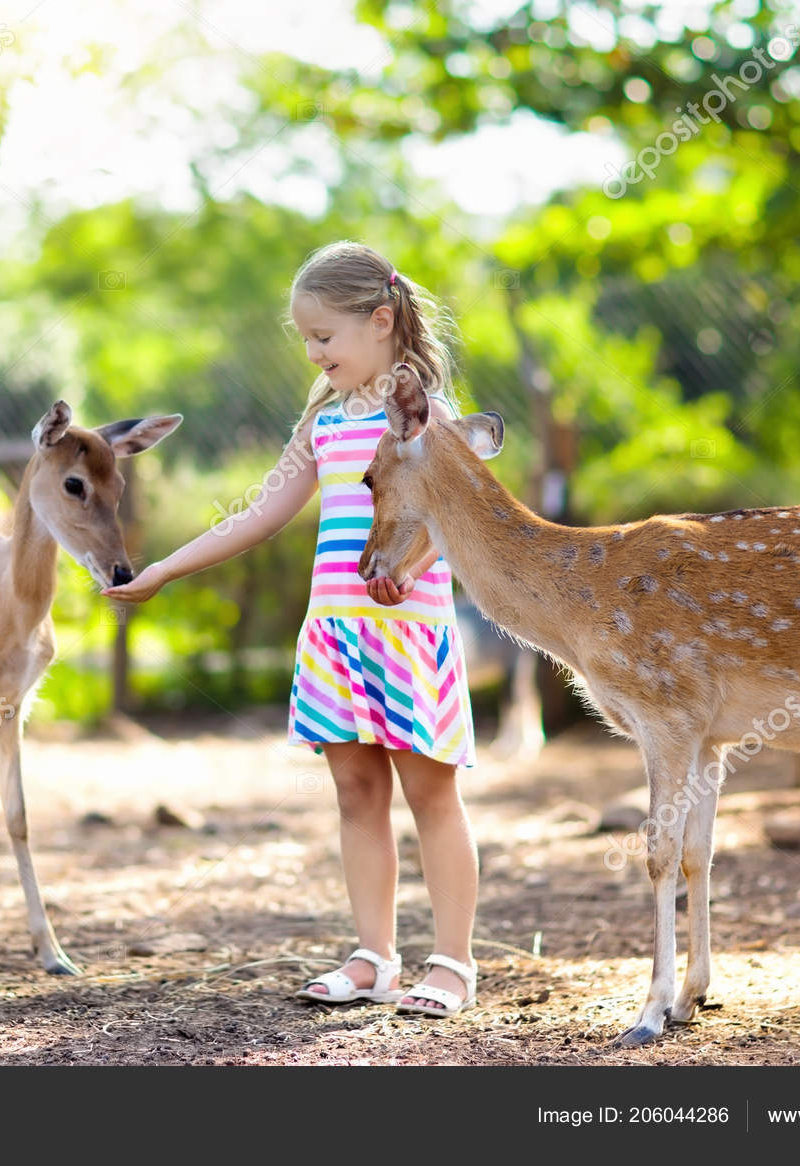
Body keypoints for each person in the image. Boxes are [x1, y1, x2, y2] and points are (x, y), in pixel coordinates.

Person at [102, 241, 480, 1017]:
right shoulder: (324, 423)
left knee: (430, 795)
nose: (312, 352)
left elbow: (456, 514)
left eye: (324, 337)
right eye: (305, 339)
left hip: (409, 633)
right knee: (354, 792)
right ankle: (374, 956)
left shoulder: (422, 417)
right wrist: (165, 570)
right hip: (338, 635)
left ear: (381, 321)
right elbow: (259, 514)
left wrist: (407, 570)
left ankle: (453, 964)